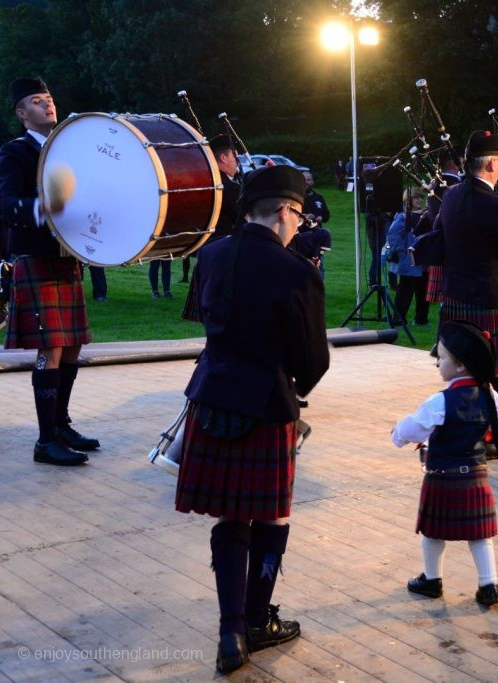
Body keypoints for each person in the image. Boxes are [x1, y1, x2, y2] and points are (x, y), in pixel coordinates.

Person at [174, 165, 330, 674]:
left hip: (213, 398)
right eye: (299, 216)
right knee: (272, 514)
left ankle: (230, 633)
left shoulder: (212, 254)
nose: (298, 226)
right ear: (286, 210)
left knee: (229, 517)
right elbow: (313, 360)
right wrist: (292, 388)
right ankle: (259, 621)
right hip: (265, 404)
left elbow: (200, 314)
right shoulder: (298, 269)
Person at [0, 76, 98, 466]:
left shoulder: (68, 148)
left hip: (66, 256)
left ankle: (60, 425)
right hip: (35, 257)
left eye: (50, 99)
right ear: (22, 113)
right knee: (51, 346)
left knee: (72, 344)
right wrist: (42, 208)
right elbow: (4, 203)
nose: (48, 105)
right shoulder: (15, 152)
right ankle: (44, 441)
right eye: (38, 102)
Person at [392, 320, 498, 606]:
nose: (438, 364)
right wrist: (491, 394)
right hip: (475, 476)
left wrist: (396, 434)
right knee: (480, 536)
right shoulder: (488, 395)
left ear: (459, 366)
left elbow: (413, 428)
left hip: (442, 477)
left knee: (433, 532)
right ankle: (489, 585)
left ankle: (431, 581)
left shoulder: (440, 401)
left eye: (442, 358)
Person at [433, 130, 498, 458]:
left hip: (455, 296)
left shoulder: (450, 198)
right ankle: (490, 439)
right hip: (490, 299)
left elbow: (438, 238)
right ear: (491, 165)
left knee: (460, 366)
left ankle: (464, 435)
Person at [180, 134, 243, 321]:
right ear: (223, 158)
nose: (237, 160)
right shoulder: (229, 188)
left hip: (206, 253)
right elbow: (245, 221)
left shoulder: (202, 184)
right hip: (227, 257)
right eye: (234, 155)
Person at [387, 187, 430, 325]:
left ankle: (421, 319)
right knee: (405, 291)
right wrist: (403, 252)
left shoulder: (426, 215)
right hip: (409, 261)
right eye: (415, 197)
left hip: (423, 260)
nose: (419, 200)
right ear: (408, 200)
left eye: (420, 198)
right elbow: (393, 236)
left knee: (423, 292)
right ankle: (399, 319)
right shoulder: (403, 216)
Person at [424, 151, 462, 308]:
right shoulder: (457, 186)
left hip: (439, 244)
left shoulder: (433, 184)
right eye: (461, 162)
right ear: (454, 165)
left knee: (446, 301)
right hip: (456, 246)